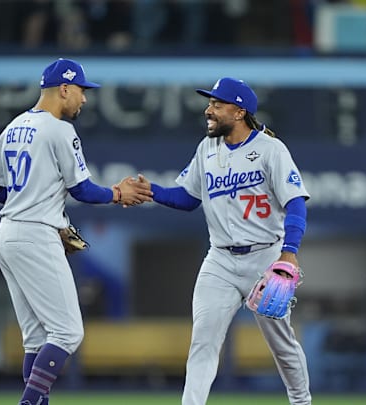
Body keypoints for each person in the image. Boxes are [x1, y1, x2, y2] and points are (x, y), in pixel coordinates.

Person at [127, 77, 312, 405]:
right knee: (203, 342)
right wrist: (152, 191)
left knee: (282, 346)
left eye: (216, 104)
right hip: (220, 260)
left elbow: (295, 202)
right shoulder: (206, 148)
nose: (208, 110)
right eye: (210, 103)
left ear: (239, 111)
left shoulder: (271, 149)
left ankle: (302, 402)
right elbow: (187, 198)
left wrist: (290, 252)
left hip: (265, 256)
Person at [0, 58, 153, 405]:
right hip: (34, 235)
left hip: (7, 234)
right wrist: (118, 194)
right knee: (68, 333)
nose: (84, 99)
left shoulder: (13, 126)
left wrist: (30, 202)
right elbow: (83, 190)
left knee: (36, 338)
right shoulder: (59, 129)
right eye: (81, 91)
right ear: (64, 89)